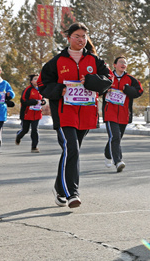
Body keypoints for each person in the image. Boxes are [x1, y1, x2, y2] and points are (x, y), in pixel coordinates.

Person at [38, 23, 112, 208]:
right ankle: (72, 192)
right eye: (77, 36)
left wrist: (90, 81)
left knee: (71, 151)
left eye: (84, 36)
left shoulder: (94, 61)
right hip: (65, 114)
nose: (81, 40)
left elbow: (108, 80)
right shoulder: (56, 62)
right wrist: (59, 89)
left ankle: (59, 188)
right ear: (68, 37)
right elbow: (42, 85)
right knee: (72, 149)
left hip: (86, 114)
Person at [102, 56, 143, 172]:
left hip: (124, 114)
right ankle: (118, 161)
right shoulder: (108, 77)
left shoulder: (131, 79)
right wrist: (106, 89)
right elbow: (98, 88)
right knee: (115, 136)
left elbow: (139, 91)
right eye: (120, 62)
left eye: (125, 62)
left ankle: (108, 154)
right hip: (110, 112)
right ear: (114, 65)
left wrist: (127, 89)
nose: (123, 64)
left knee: (116, 138)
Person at [16, 74, 44, 153]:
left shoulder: (41, 90)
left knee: (35, 130)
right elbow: (23, 101)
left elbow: (43, 99)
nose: (37, 80)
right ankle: (19, 136)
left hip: (37, 114)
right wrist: (33, 102)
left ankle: (34, 147)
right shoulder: (28, 90)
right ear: (31, 81)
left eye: (38, 79)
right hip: (27, 113)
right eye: (35, 79)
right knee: (25, 130)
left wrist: (43, 102)